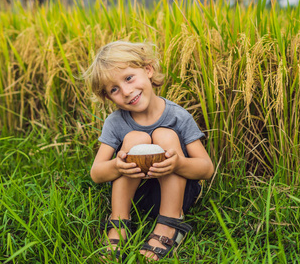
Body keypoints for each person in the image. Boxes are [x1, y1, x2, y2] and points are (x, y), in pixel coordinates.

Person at [85, 41, 214, 261]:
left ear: (148, 70)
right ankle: (119, 223)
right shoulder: (115, 122)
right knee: (136, 138)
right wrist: (118, 165)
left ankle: (169, 224)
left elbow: (207, 169)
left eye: (128, 78)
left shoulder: (178, 116)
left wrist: (179, 164)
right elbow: (96, 173)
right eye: (114, 89)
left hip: (178, 195)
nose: (126, 91)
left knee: (166, 135)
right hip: (136, 197)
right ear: (108, 98)